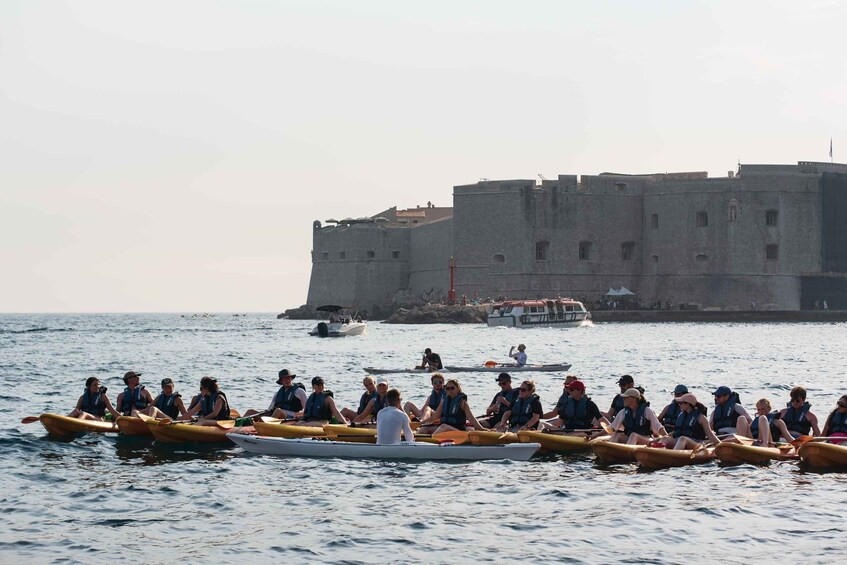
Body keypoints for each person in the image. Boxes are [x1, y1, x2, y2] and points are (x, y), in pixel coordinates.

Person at [653, 393, 721, 450]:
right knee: (666, 438)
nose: (679, 405)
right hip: (679, 441)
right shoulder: (681, 415)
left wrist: (721, 445)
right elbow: (675, 432)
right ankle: (657, 453)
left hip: (696, 443)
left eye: (681, 403)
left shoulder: (701, 418)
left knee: (683, 439)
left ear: (687, 404)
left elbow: (710, 435)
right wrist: (659, 439)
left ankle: (674, 454)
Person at [542, 379, 609, 435]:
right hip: (567, 430)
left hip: (583, 432)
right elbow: (560, 421)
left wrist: (611, 427)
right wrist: (549, 428)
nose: (569, 391)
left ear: (579, 390)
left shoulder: (590, 404)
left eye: (572, 389)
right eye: (569, 389)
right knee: (542, 424)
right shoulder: (567, 403)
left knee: (577, 434)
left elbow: (601, 419)